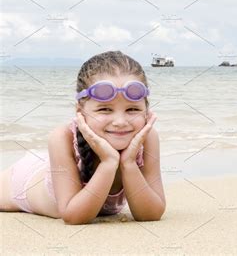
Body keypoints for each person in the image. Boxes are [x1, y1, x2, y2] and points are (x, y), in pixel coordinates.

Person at [0, 51, 166, 224]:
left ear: (146, 111)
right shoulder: (62, 138)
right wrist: (109, 163)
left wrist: (128, 163)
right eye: (104, 109)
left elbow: (150, 214)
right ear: (80, 112)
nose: (120, 121)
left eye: (132, 109)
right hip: (22, 182)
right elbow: (73, 216)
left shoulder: (148, 139)